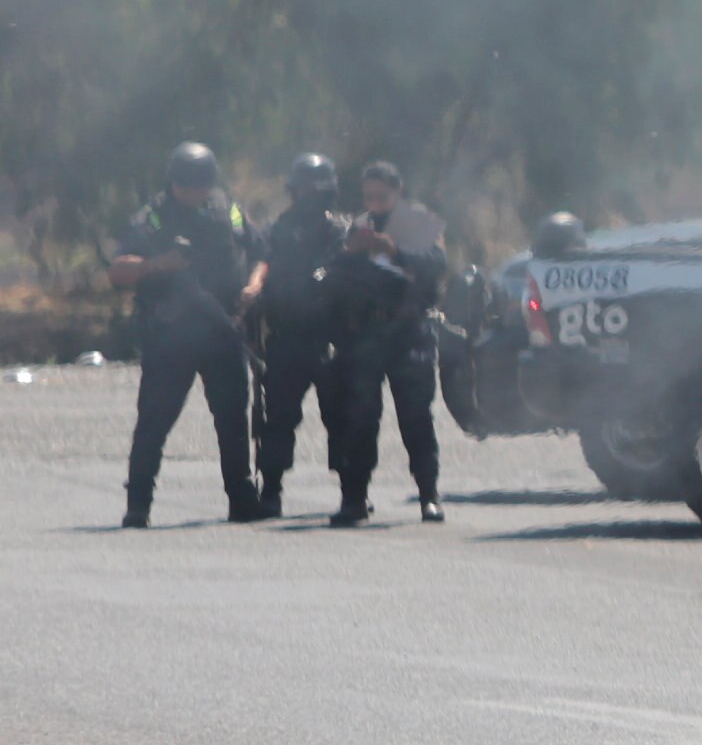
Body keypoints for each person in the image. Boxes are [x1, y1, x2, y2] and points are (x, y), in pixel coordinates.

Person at [105, 143, 268, 527]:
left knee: (232, 419)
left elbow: (260, 250)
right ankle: (138, 504)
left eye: (202, 186)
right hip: (171, 336)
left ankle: (242, 499)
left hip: (223, 332)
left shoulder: (227, 209)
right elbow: (117, 271)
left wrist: (255, 284)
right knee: (154, 422)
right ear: (174, 183)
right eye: (189, 186)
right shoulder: (154, 218)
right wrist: (158, 264)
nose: (197, 193)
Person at [325, 159, 447, 527]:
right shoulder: (355, 227)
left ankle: (429, 495)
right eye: (369, 196)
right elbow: (325, 274)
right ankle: (354, 498)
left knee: (415, 418)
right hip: (364, 336)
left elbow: (435, 267)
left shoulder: (418, 223)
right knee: (359, 419)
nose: (375, 203)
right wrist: (349, 253)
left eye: (382, 195)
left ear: (399, 192)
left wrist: (393, 250)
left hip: (407, 331)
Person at [251, 154, 354, 521]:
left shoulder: (340, 231)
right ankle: (271, 490)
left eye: (317, 188)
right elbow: (260, 261)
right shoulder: (277, 230)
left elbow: (345, 266)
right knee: (277, 418)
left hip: (329, 337)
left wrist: (324, 277)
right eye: (304, 188)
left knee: (342, 418)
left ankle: (351, 492)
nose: (310, 195)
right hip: (287, 337)